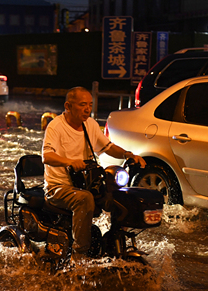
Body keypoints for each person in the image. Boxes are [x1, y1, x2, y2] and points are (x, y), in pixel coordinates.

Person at [42, 86, 146, 261]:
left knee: (120, 197)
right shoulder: (56, 127)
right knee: (85, 199)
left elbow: (108, 147)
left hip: (86, 184)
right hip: (59, 187)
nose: (87, 109)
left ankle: (116, 243)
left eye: (90, 104)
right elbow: (47, 156)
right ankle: (79, 254)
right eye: (82, 105)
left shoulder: (90, 124)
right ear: (68, 106)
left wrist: (128, 154)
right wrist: (69, 162)